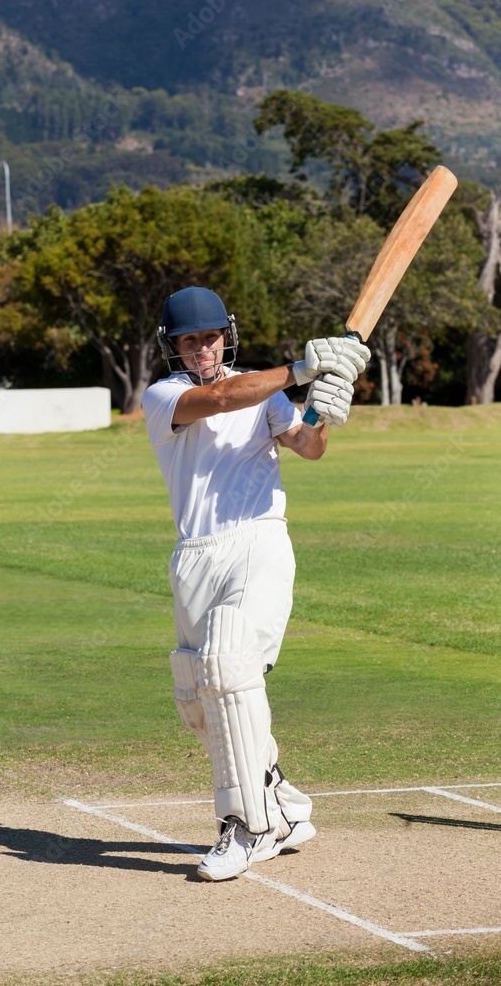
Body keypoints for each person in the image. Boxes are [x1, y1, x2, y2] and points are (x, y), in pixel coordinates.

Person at [141, 286, 370, 882]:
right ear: (173, 347)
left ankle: (248, 826)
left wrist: (323, 409)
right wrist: (300, 369)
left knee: (227, 665)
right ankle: (283, 805)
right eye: (188, 341)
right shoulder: (166, 395)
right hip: (194, 555)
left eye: (209, 338)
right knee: (198, 696)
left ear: (227, 335)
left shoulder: (265, 396)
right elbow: (218, 399)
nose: (201, 350)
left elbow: (307, 448)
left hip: (258, 542)